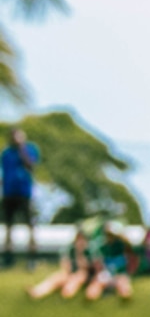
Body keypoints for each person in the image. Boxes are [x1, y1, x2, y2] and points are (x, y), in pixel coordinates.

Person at [2, 127, 39, 269]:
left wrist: (22, 147)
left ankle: (32, 258)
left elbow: (30, 165)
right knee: (9, 226)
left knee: (30, 226)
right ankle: (8, 258)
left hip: (24, 193)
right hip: (8, 193)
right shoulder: (6, 153)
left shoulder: (30, 149)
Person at [26, 228, 95, 300]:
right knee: (55, 278)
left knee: (77, 278)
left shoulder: (89, 251)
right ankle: (37, 292)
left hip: (82, 275)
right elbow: (65, 264)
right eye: (78, 239)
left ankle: (67, 292)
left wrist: (80, 256)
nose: (79, 241)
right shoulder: (71, 250)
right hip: (70, 273)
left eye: (82, 239)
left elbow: (89, 267)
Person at [84, 220, 137, 301]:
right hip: (106, 274)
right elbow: (90, 252)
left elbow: (131, 249)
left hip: (119, 274)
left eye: (111, 235)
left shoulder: (121, 245)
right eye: (108, 235)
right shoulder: (102, 246)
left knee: (124, 287)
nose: (109, 237)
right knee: (93, 290)